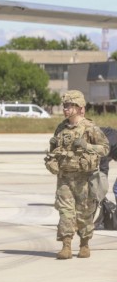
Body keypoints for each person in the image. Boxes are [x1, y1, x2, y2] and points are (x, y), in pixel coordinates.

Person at [45, 90, 108, 259]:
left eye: (69, 106)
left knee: (84, 213)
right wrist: (51, 157)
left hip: (85, 178)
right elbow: (55, 150)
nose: (65, 109)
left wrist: (87, 146)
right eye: (64, 106)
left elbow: (105, 148)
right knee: (65, 212)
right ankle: (66, 246)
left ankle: (84, 244)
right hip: (64, 177)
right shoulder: (61, 128)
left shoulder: (90, 128)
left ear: (80, 108)